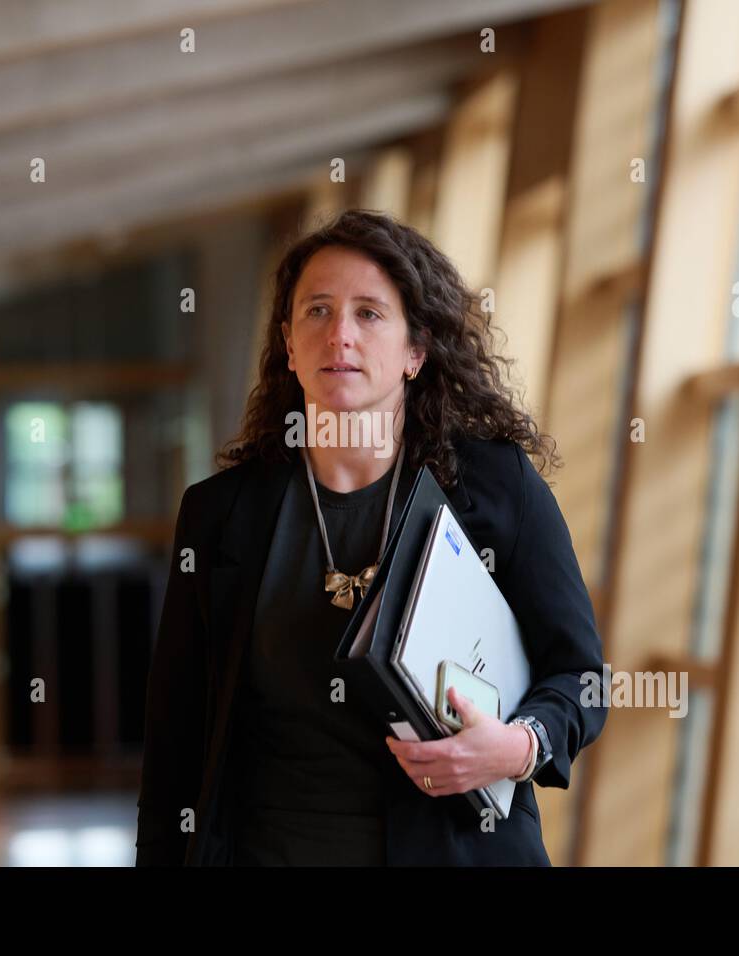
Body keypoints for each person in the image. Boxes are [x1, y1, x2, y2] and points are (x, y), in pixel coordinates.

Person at [134, 209, 606, 866]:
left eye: (369, 314)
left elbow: (580, 678)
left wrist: (520, 745)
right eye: (318, 312)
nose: (340, 336)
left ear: (416, 350)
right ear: (289, 346)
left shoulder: (499, 489)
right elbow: (176, 738)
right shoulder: (220, 515)